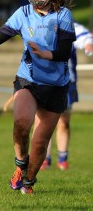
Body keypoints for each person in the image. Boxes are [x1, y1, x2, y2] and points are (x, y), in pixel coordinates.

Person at [0, 0, 76, 194]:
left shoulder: (63, 15)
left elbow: (64, 51)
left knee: (40, 143)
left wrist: (44, 53)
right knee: (22, 125)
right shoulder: (23, 13)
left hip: (56, 85)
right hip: (29, 80)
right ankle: (20, 165)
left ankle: (28, 181)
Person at [40, 21, 93, 171]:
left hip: (67, 81)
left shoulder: (72, 27)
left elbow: (85, 37)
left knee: (63, 121)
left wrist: (88, 44)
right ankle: (45, 159)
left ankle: (62, 159)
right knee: (46, 121)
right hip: (46, 81)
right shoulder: (41, 25)